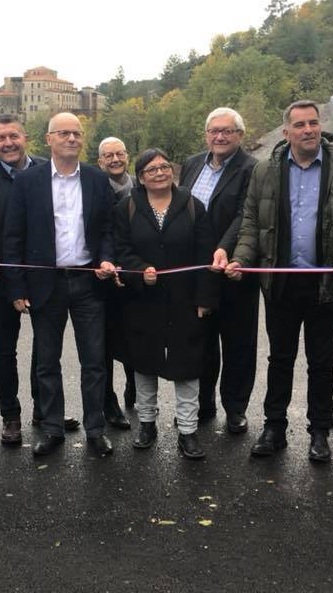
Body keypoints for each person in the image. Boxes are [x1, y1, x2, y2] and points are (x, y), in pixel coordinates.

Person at [226, 100, 333, 462]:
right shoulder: (265, 171)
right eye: (299, 125)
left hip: (326, 283)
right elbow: (251, 222)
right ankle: (274, 427)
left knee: (321, 362)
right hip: (280, 282)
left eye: (313, 123)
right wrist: (240, 259)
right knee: (279, 358)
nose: (308, 130)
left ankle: (319, 432)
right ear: (286, 132)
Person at [2, 112, 118, 458]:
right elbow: (13, 237)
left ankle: (96, 429)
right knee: (47, 361)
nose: (71, 139)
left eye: (77, 134)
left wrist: (107, 258)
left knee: (94, 361)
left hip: (88, 281)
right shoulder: (28, 182)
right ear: (49, 139)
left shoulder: (98, 181)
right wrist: (17, 288)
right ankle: (52, 429)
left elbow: (108, 230)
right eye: (63, 133)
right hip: (45, 283)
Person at [0, 114, 80, 445]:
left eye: (13, 136)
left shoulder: (50, 170)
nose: (8, 143)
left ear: (26, 137)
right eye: (1, 138)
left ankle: (44, 410)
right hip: (5, 278)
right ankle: (11, 416)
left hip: (46, 277)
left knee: (45, 350)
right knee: (5, 349)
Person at [113, 149, 219, 458]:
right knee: (145, 364)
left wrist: (205, 298)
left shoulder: (192, 206)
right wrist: (138, 271)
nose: (160, 173)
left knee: (187, 366)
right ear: (141, 177)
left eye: (164, 167)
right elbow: (121, 250)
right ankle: (147, 423)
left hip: (185, 300)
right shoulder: (127, 208)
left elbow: (205, 255)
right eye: (151, 170)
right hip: (142, 301)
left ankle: (188, 430)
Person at [179, 107, 258, 434]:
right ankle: (204, 403)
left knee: (238, 342)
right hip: (198, 271)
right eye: (214, 131)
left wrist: (222, 248)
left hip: (234, 267)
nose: (220, 137)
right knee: (202, 341)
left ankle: (235, 408)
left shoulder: (252, 168)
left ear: (240, 135)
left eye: (227, 131)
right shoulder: (193, 163)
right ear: (207, 134)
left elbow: (245, 215)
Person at [96, 135, 136, 428]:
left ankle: (135, 388)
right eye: (108, 155)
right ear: (100, 161)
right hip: (105, 275)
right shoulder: (94, 187)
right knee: (105, 343)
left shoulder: (142, 185)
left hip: (136, 274)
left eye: (118, 154)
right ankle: (108, 402)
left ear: (127, 156)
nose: (114, 160)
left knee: (138, 334)